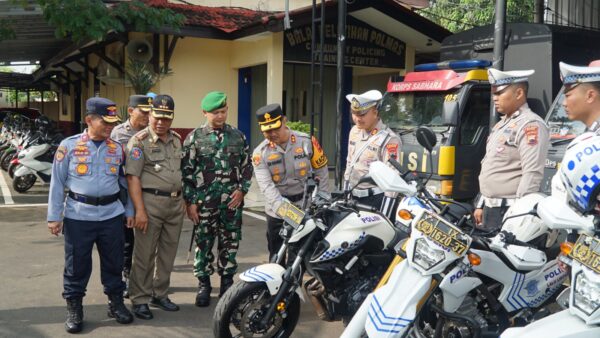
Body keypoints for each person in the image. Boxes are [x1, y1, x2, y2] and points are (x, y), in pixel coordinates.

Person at [47, 97, 134, 333]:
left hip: (111, 215)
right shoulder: (69, 146)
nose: (109, 127)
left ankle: (115, 303)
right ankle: (75, 307)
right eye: (104, 122)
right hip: (78, 216)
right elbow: (57, 183)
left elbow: (124, 183)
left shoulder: (117, 149)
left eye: (112, 122)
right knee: (76, 265)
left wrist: (129, 211)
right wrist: (54, 216)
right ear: (89, 120)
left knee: (114, 262)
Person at [181, 91, 253, 307]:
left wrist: (242, 190)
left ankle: (227, 282)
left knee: (230, 243)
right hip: (204, 203)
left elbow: (247, 166)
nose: (220, 116)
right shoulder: (194, 138)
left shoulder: (238, 136)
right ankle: (203, 284)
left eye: (223, 111)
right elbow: (187, 172)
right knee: (203, 244)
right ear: (205, 112)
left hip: (230, 203)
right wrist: (190, 202)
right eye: (215, 113)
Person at [125, 94, 184, 320]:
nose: (161, 122)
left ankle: (160, 293)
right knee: (144, 254)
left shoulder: (176, 140)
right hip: (150, 204)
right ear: (150, 115)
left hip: (175, 203)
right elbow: (133, 178)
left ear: (171, 119)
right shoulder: (139, 142)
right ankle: (140, 299)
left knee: (168, 253)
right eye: (157, 117)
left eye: (166, 118)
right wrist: (139, 210)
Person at [252, 103, 330, 261]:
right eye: (267, 131)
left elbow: (322, 171)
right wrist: (292, 216)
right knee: (276, 256)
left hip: (304, 205)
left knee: (299, 257)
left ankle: (296, 285)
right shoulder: (260, 154)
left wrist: (323, 201)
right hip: (277, 212)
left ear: (284, 121)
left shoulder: (306, 142)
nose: (272, 133)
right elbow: (267, 188)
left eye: (275, 128)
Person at [474, 68, 550, 231]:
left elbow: (532, 173)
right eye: (493, 93)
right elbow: (491, 166)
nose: (494, 98)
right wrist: (481, 203)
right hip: (491, 207)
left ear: (519, 93)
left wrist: (519, 215)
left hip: (509, 211)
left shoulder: (530, 125)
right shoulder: (502, 124)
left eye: (499, 93)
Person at [110, 94, 152, 298]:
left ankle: (145, 279)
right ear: (130, 111)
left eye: (150, 112)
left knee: (149, 238)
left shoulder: (153, 132)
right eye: (144, 112)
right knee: (126, 239)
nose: (148, 116)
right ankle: (126, 275)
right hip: (125, 193)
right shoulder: (117, 134)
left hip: (149, 193)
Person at [344, 90, 401, 212]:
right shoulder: (354, 131)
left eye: (362, 115)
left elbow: (392, 178)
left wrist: (385, 212)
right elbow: (349, 162)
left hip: (375, 200)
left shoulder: (389, 139)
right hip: (353, 196)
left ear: (375, 113)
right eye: (354, 114)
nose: (357, 119)